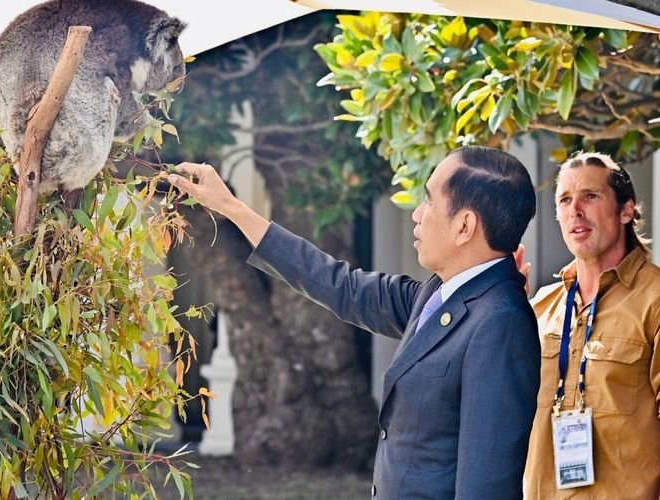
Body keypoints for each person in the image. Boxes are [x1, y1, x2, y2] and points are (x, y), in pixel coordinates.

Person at [169, 145, 540, 499]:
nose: (416, 213)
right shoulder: (441, 294)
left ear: (464, 226)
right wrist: (232, 209)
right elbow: (340, 286)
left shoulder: (499, 322)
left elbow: (486, 486)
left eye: (429, 200)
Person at [522, 152, 660, 498]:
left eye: (590, 196)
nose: (575, 210)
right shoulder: (540, 307)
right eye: (565, 200)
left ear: (626, 210)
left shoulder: (655, 300)